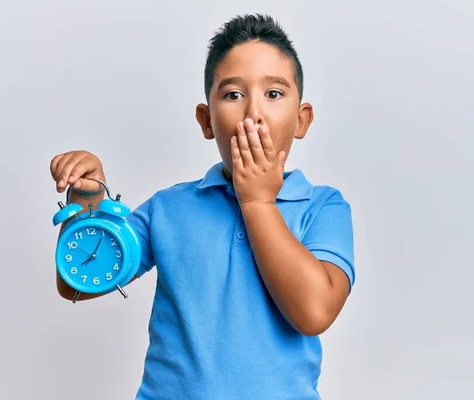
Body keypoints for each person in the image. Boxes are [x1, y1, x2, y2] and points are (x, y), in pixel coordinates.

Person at [50, 13, 355, 400]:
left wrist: (257, 201)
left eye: (274, 94)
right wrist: (87, 196)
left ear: (301, 119)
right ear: (206, 120)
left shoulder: (323, 207)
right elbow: (77, 284)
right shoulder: (169, 208)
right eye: (233, 95)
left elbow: (314, 312)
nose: (253, 114)